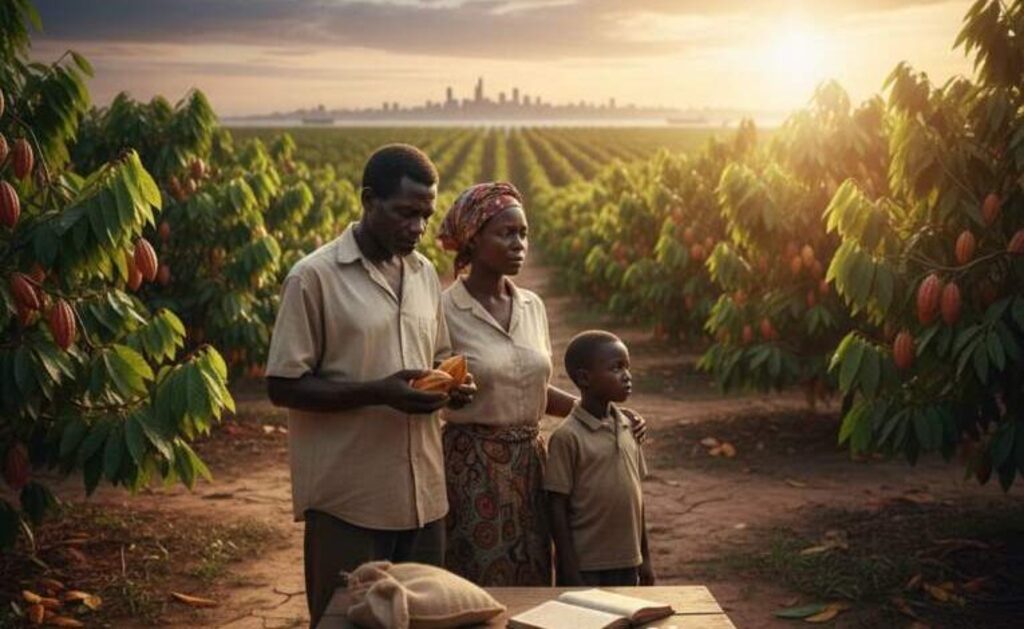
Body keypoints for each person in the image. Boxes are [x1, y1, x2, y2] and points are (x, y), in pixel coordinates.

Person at [264, 144, 475, 627]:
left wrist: (451, 385)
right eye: (405, 213)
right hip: (349, 501)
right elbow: (283, 385)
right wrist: (379, 392)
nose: (418, 228)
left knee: (423, 620)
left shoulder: (423, 275)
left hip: (423, 496)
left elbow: (438, 356)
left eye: (426, 215)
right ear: (367, 200)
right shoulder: (313, 277)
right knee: (348, 619)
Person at [436, 183, 645, 587]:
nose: (519, 244)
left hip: (531, 465)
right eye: (506, 233)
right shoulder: (444, 309)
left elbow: (533, 389)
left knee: (534, 575)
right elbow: (439, 384)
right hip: (472, 467)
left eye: (524, 233)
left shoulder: (532, 306)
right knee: (478, 580)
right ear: (474, 239)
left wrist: (609, 416)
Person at [545, 330, 655, 587]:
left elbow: (637, 500)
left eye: (627, 367)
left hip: (628, 561)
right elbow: (556, 508)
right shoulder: (567, 437)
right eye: (616, 368)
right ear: (585, 378)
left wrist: (645, 559)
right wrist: (568, 566)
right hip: (586, 564)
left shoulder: (629, 428)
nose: (626, 376)